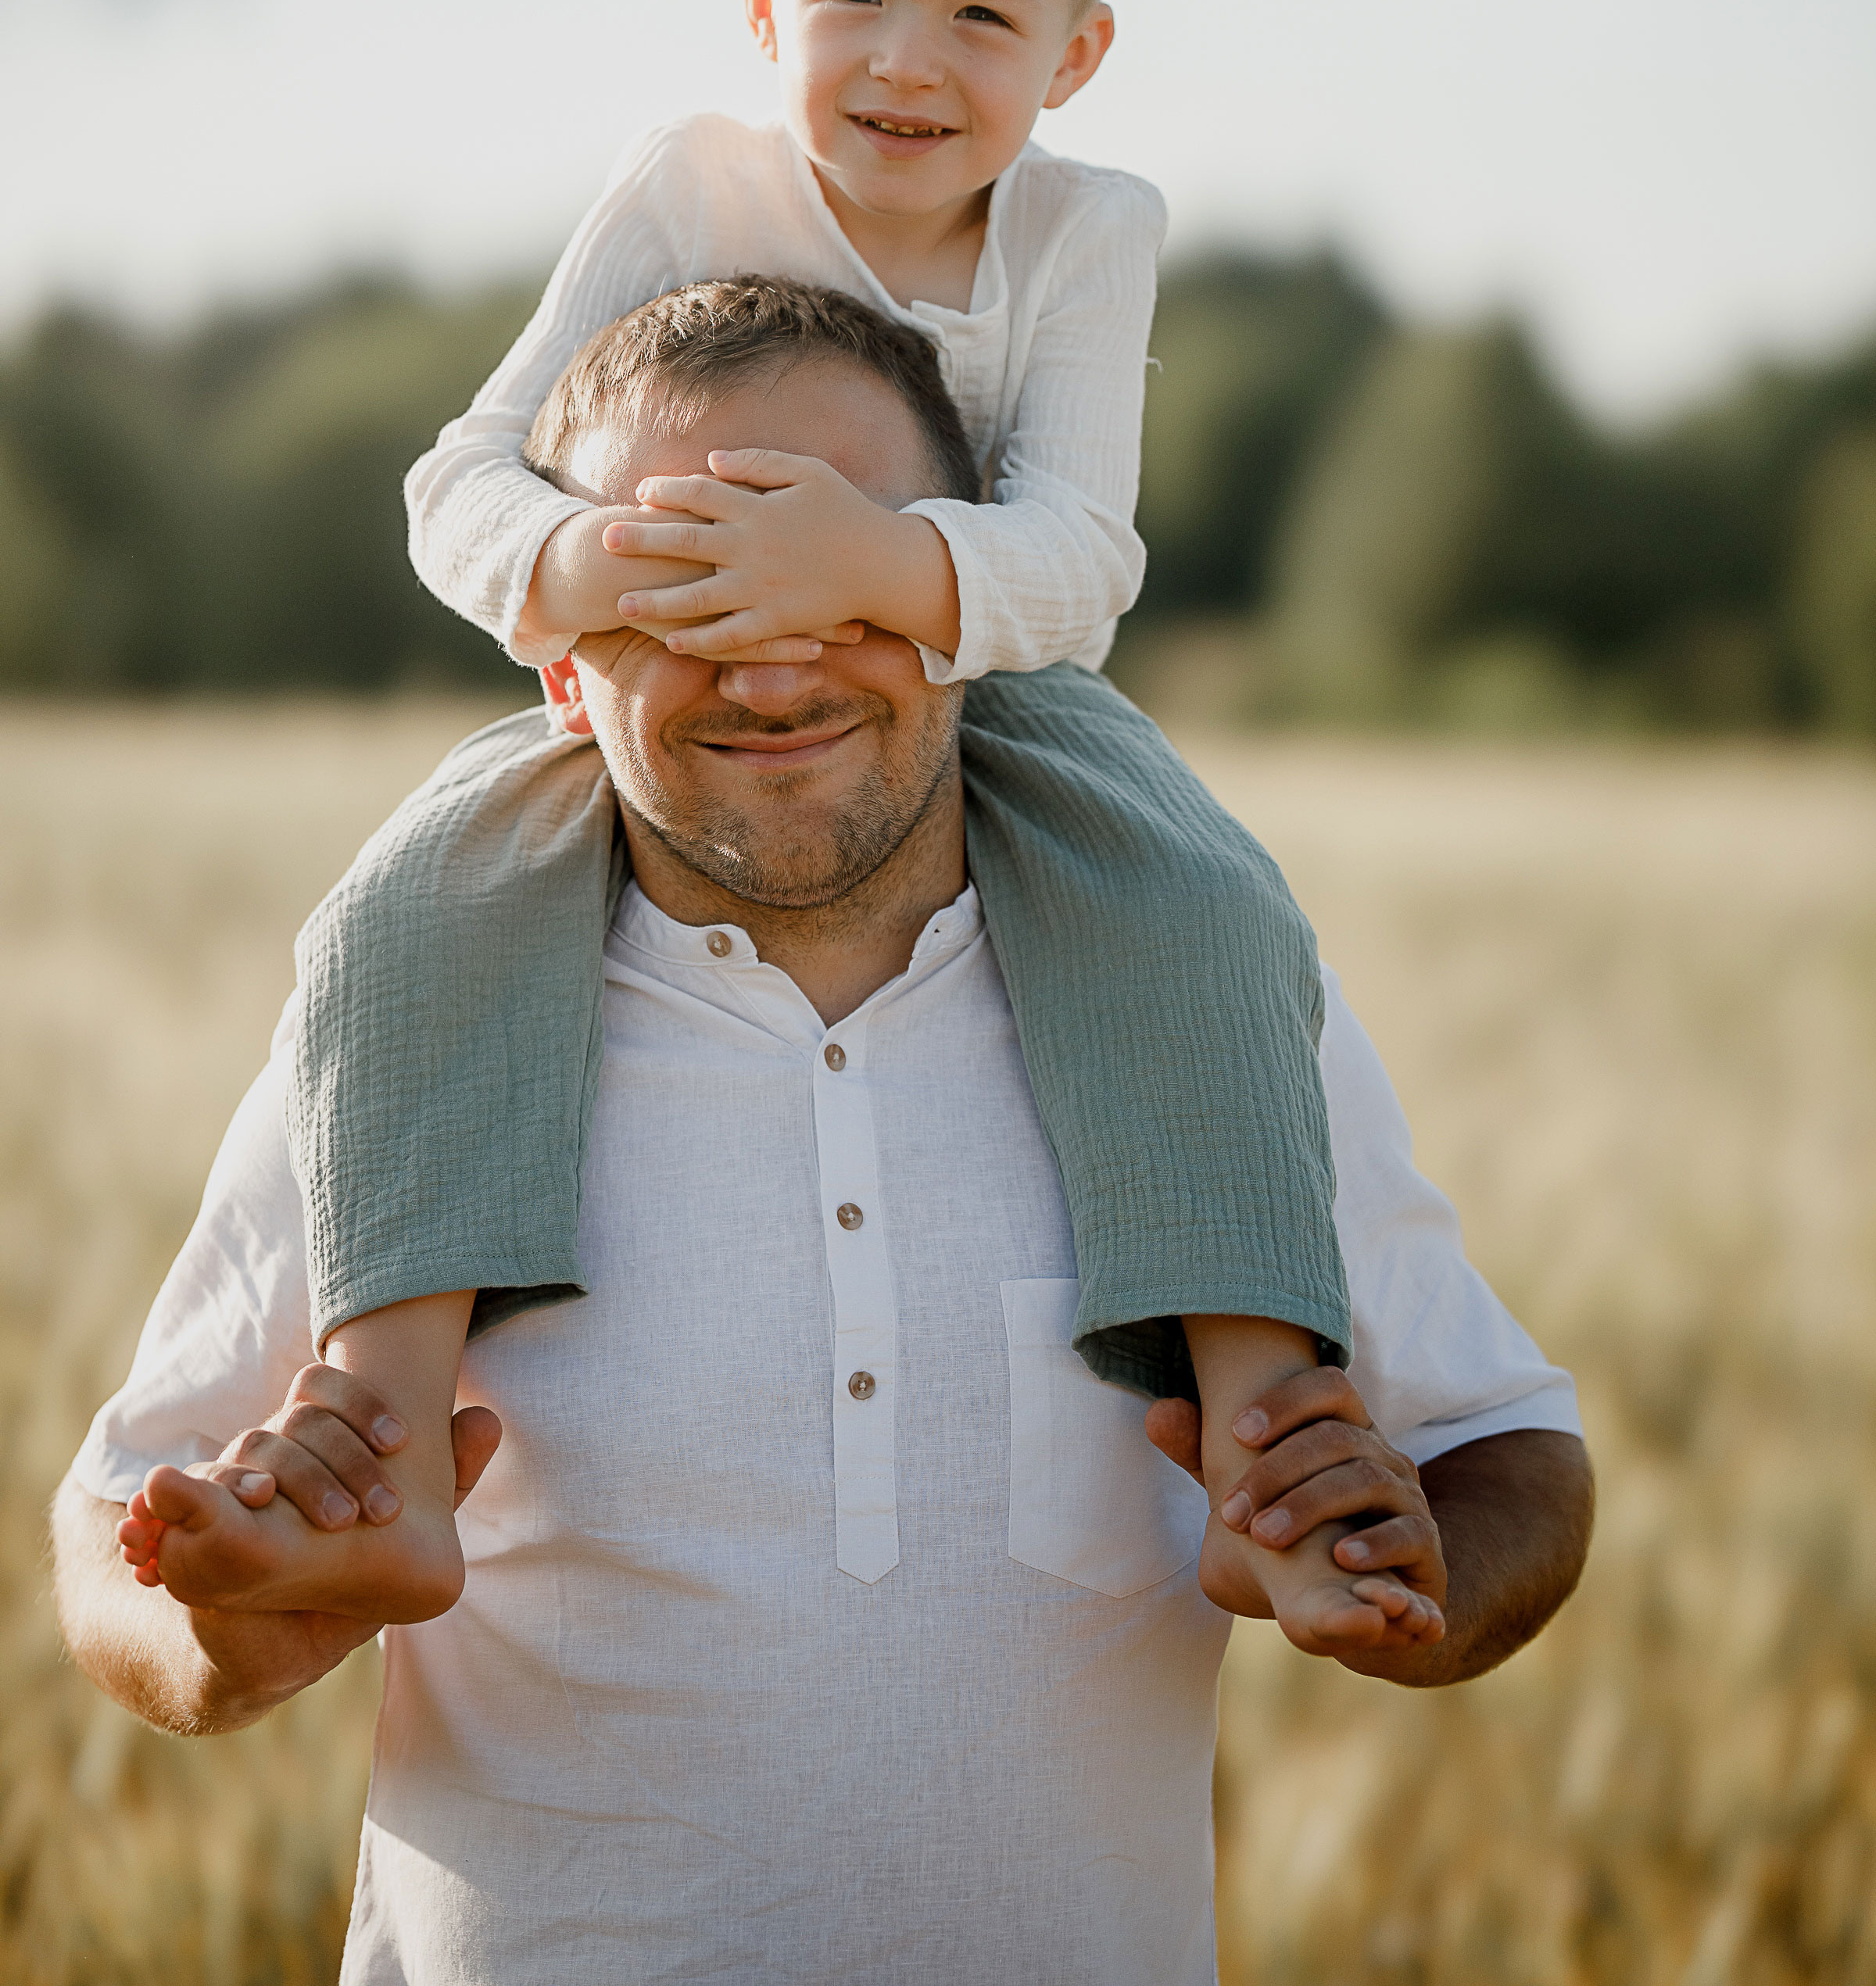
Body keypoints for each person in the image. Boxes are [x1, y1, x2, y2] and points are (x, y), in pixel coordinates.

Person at [53, 290, 1591, 1984]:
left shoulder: (1199, 1005)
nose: (772, 660)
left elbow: (1511, 1446)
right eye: (677, 589)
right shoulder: (419, 1021)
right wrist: (232, 1634)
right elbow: (115, 1522)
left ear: (973, 609)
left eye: (848, 580)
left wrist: (1407, 1569)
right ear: (562, 658)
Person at [285, 0, 1362, 1641]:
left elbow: (1082, 562)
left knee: (1201, 904)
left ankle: (1271, 1438)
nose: (905, 62)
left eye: (982, 17)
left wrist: (872, 563)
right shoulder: (689, 184)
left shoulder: (1087, 233)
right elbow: (463, 478)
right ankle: (379, 1443)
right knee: (417, 900)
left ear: (1078, 52)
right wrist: (590, 568)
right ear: (764, 3)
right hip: (670, 683)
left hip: (981, 689)